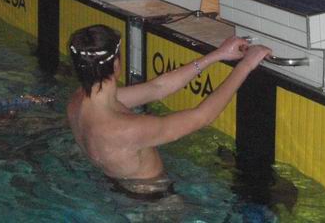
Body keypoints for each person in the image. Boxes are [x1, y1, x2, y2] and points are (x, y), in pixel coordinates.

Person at [67, 25, 270, 197]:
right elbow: (203, 117)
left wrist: (218, 55)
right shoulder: (125, 129)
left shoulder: (78, 102)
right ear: (116, 64)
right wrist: (246, 65)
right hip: (155, 202)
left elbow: (158, 88)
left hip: (117, 188)